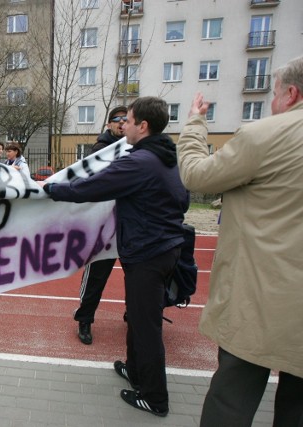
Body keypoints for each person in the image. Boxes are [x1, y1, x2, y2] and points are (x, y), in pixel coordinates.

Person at [39, 97, 188, 417]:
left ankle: (154, 397)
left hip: (149, 253)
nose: (124, 126)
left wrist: (52, 189)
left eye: (129, 121)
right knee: (137, 317)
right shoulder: (165, 157)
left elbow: (91, 188)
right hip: (160, 249)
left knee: (146, 326)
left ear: (143, 126)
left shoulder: (141, 162)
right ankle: (135, 372)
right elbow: (183, 199)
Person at [177, 56, 303, 427]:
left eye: (276, 94)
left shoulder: (268, 134)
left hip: (263, 292)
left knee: (232, 396)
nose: (273, 103)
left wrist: (195, 123)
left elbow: (197, 175)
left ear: (292, 94)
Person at [75, 105, 127, 345]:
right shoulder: (100, 150)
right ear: (109, 124)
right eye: (117, 119)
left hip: (130, 226)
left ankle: (133, 313)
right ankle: (85, 319)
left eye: (127, 119)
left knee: (138, 277)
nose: (122, 123)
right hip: (105, 228)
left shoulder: (137, 150)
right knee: (96, 277)